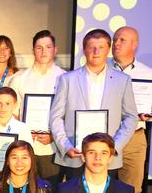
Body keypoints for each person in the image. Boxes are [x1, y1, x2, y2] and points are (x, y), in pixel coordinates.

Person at [50, 29, 138, 181]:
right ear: (84, 50)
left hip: (107, 159)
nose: (96, 51)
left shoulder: (122, 80)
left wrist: (114, 147)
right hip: (76, 155)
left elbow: (131, 117)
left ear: (108, 50)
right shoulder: (67, 79)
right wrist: (66, 146)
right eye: (91, 47)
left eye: (101, 47)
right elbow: (56, 117)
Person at [8, 30, 66, 188]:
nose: (44, 51)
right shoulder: (19, 79)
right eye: (39, 47)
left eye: (48, 47)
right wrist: (25, 131)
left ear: (55, 50)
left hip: (52, 148)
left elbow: (69, 114)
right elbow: (11, 112)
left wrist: (54, 136)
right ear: (33, 50)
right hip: (26, 148)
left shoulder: (66, 78)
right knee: (26, 191)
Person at [110, 26, 152, 193]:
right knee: (102, 190)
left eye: (122, 40)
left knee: (133, 191)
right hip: (106, 136)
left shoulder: (147, 73)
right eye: (115, 39)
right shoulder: (102, 69)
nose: (116, 43)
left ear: (135, 45)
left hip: (135, 138)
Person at [0, 87, 32, 169]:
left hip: (14, 174)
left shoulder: (23, 129)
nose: (3, 107)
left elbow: (29, 154)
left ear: (15, 105)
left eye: (7, 103)